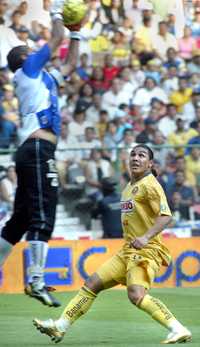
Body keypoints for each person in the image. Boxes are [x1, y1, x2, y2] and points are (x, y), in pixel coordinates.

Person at [33, 144, 191, 344]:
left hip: (146, 251)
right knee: (92, 284)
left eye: (141, 155)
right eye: (133, 154)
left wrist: (145, 237)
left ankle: (178, 328)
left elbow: (165, 216)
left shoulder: (151, 185)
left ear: (150, 164)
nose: (135, 158)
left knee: (136, 294)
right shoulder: (128, 188)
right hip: (127, 252)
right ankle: (60, 327)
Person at [0, 0, 83, 307]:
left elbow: (70, 65)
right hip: (37, 149)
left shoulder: (43, 78)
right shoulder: (27, 69)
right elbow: (55, 39)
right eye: (28, 48)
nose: (33, 50)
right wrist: (58, 13)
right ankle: (36, 280)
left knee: (18, 221)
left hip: (33, 149)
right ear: (22, 58)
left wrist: (76, 34)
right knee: (42, 215)